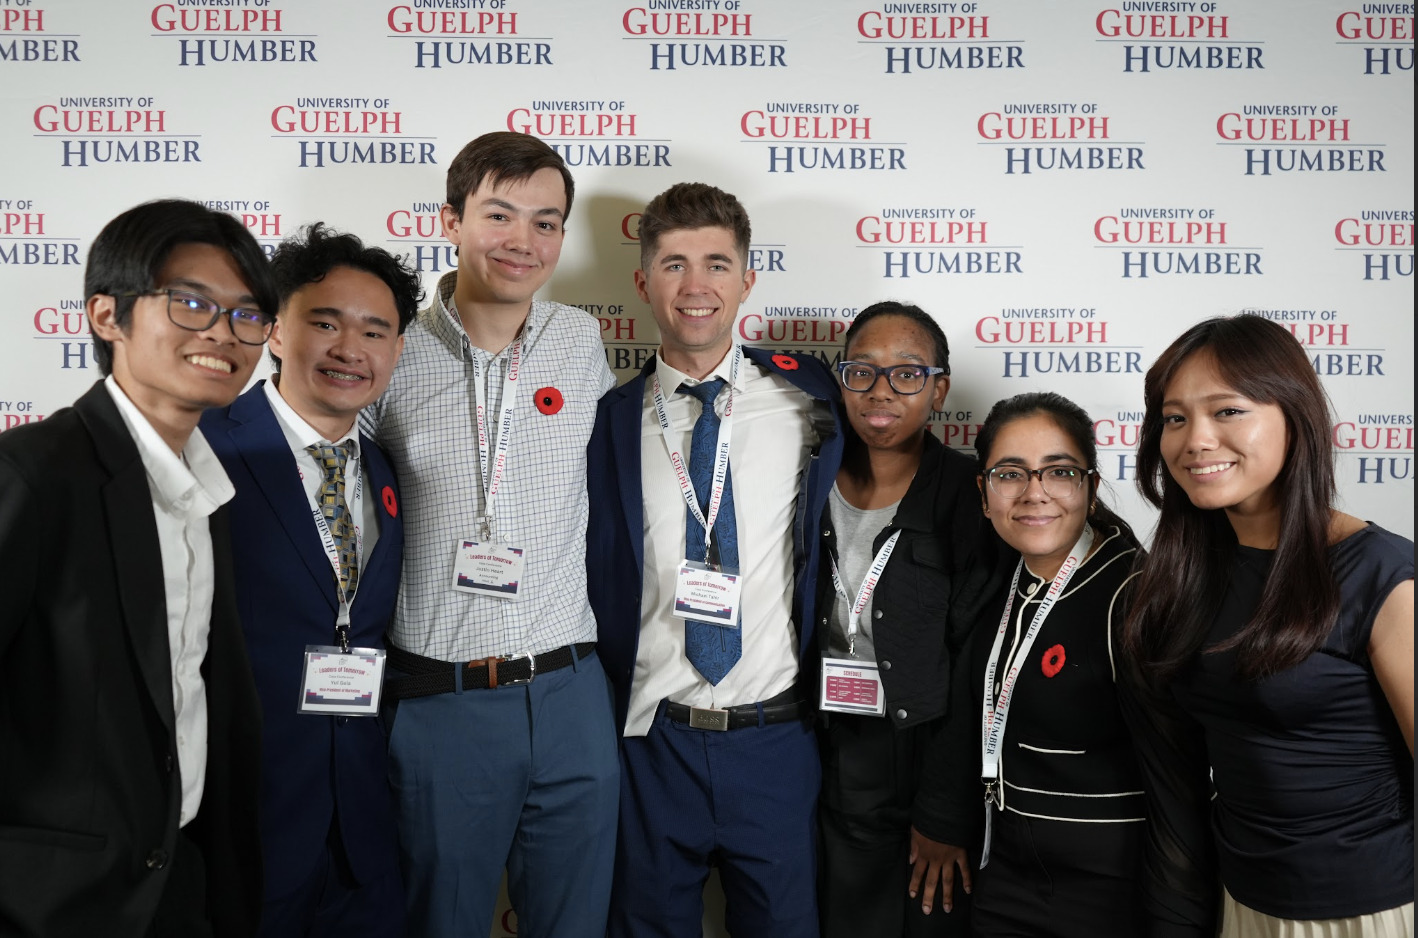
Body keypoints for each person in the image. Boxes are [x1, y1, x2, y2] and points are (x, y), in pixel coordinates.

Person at [359, 131, 619, 938]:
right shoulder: (386, 348)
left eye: (546, 222)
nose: (523, 241)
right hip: (445, 700)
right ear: (451, 219)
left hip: (572, 689)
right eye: (499, 214)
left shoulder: (580, 341)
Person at [0, 199, 275, 937]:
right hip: (47, 903)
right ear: (106, 316)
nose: (223, 332)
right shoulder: (32, 474)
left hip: (176, 884)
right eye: (191, 304)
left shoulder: (208, 492)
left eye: (248, 315)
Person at [586, 182, 844, 938]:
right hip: (651, 743)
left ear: (747, 279)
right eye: (673, 264)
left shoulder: (811, 400)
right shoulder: (607, 422)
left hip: (776, 739)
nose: (695, 287)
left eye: (716, 263)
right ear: (642, 281)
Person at [1122, 314, 1413, 937]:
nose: (1196, 439)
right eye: (1175, 418)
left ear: (1294, 417)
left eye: (1227, 411)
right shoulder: (1192, 573)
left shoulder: (1380, 573)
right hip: (1242, 901)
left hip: (1367, 908)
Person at [200, 224, 420, 937]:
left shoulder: (388, 471)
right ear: (272, 330)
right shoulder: (203, 450)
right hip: (237, 824)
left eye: (374, 331)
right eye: (324, 322)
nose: (349, 349)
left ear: (396, 350)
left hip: (361, 827)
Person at [937, 391, 1149, 937]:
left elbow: (1185, 775)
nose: (1035, 493)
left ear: (1092, 488)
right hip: (1005, 874)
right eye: (1010, 474)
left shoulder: (1137, 597)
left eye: (1059, 472)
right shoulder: (1000, 579)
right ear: (983, 494)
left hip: (1114, 889)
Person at [814, 301, 993, 938]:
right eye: (861, 371)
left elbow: (980, 669)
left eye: (908, 374)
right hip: (824, 755)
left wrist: (946, 812)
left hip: (924, 760)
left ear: (939, 388)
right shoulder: (807, 484)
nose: (881, 391)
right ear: (841, 381)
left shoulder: (972, 499)